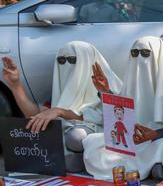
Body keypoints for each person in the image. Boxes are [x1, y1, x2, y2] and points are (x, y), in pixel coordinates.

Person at [1, 41, 122, 172]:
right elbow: (35, 114)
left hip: (104, 139)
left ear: (88, 61)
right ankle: (74, 158)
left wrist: (59, 112)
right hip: (68, 142)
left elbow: (110, 118)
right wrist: (15, 85)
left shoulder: (108, 89)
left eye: (72, 59)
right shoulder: (61, 92)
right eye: (61, 60)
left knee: (77, 135)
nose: (66, 64)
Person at [83, 36, 163, 181]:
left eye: (146, 54)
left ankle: (157, 166)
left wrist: (155, 134)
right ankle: (155, 167)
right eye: (135, 54)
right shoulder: (131, 83)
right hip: (132, 139)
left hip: (160, 138)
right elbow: (120, 113)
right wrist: (105, 92)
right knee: (93, 142)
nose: (140, 59)